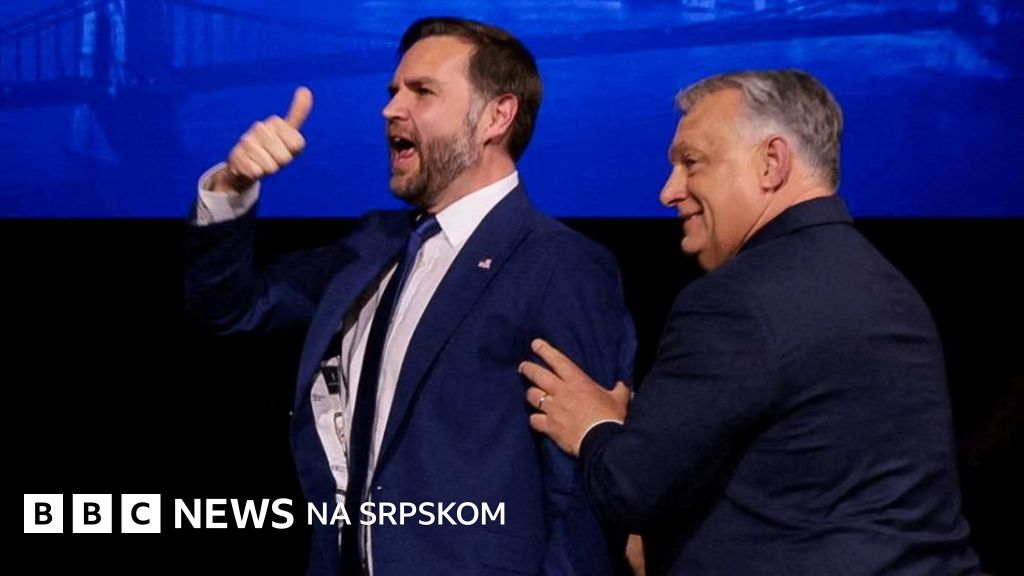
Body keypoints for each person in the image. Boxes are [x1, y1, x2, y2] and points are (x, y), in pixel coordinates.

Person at [186, 17, 634, 576]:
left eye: (422, 92)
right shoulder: (372, 245)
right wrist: (232, 185)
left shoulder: (561, 264)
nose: (390, 109)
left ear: (497, 116)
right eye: (393, 91)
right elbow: (233, 307)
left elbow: (579, 491)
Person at [520, 70, 980, 575]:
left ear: (771, 162)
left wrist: (594, 425)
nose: (668, 191)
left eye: (691, 163)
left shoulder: (735, 301)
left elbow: (630, 490)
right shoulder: (892, 289)